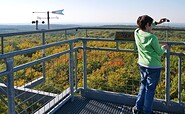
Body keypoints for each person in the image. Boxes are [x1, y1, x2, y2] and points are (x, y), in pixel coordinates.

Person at [133, 15, 169, 114]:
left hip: (142, 64)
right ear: (148, 25)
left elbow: (144, 26)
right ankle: (147, 111)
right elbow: (160, 52)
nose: (152, 27)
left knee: (143, 86)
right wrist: (164, 47)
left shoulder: (136, 32)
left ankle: (137, 108)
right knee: (150, 90)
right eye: (151, 25)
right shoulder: (152, 37)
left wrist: (157, 23)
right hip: (153, 66)